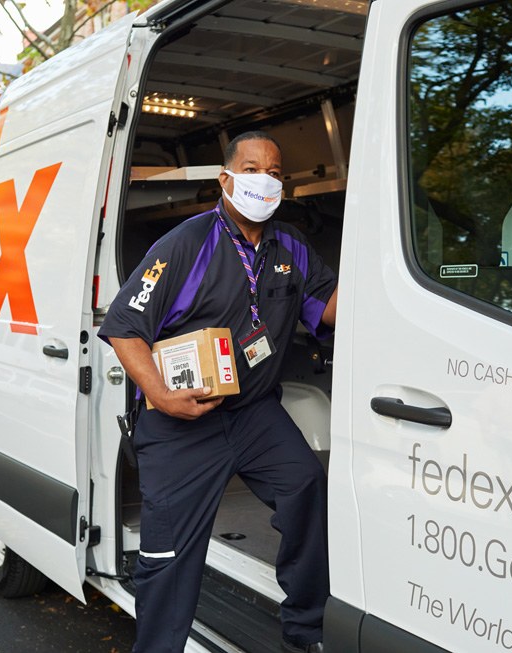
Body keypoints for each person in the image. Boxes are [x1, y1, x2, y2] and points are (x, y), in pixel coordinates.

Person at [99, 131, 338, 653]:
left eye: (275, 173)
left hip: (254, 415)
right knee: (169, 556)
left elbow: (326, 305)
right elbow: (123, 325)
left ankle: (306, 633)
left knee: (305, 488)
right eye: (253, 169)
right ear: (226, 179)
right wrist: (159, 395)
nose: (265, 181)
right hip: (181, 421)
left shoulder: (289, 243)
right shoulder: (186, 244)